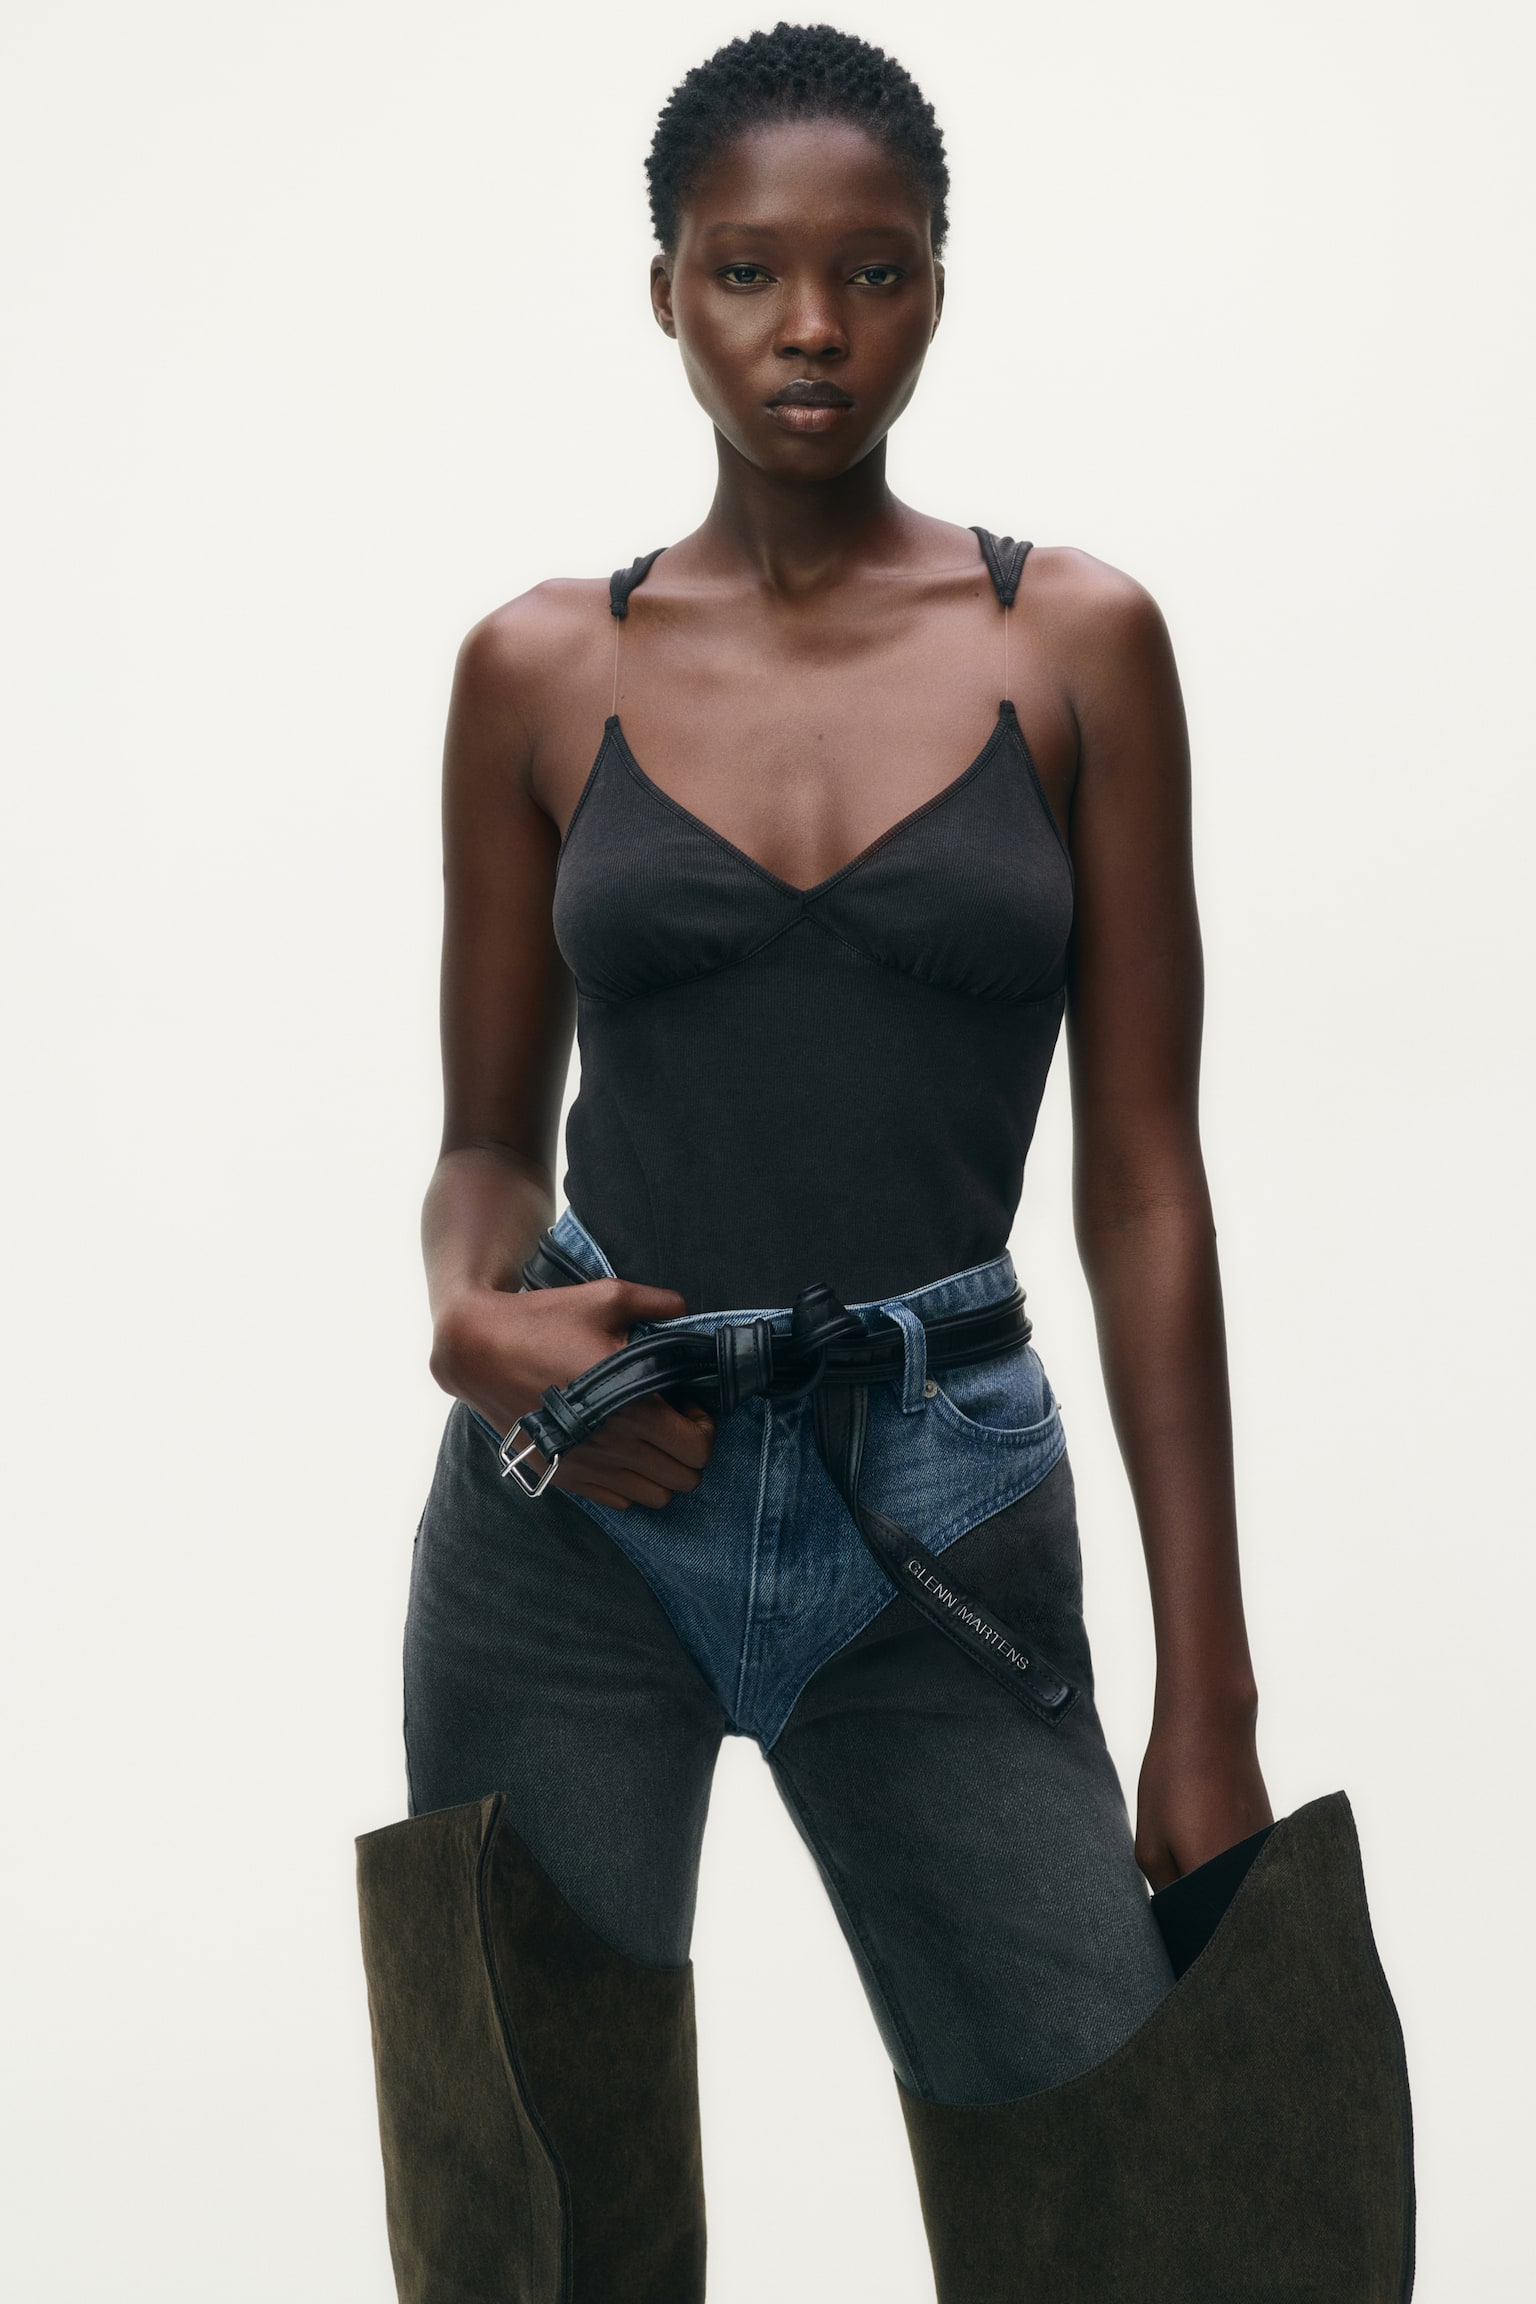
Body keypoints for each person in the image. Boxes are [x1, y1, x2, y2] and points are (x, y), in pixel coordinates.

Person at [354, 24, 1414, 2302]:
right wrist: (468, 1320)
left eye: (873, 270)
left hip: (937, 1504)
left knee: (1146, 2209)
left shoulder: (1079, 645)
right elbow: (484, 1143)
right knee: (532, 2225)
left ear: (940, 284)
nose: (810, 328)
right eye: (747, 271)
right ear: (664, 290)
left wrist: (1208, 1693)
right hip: (581, 1509)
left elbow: (1146, 1185)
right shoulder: (536, 668)